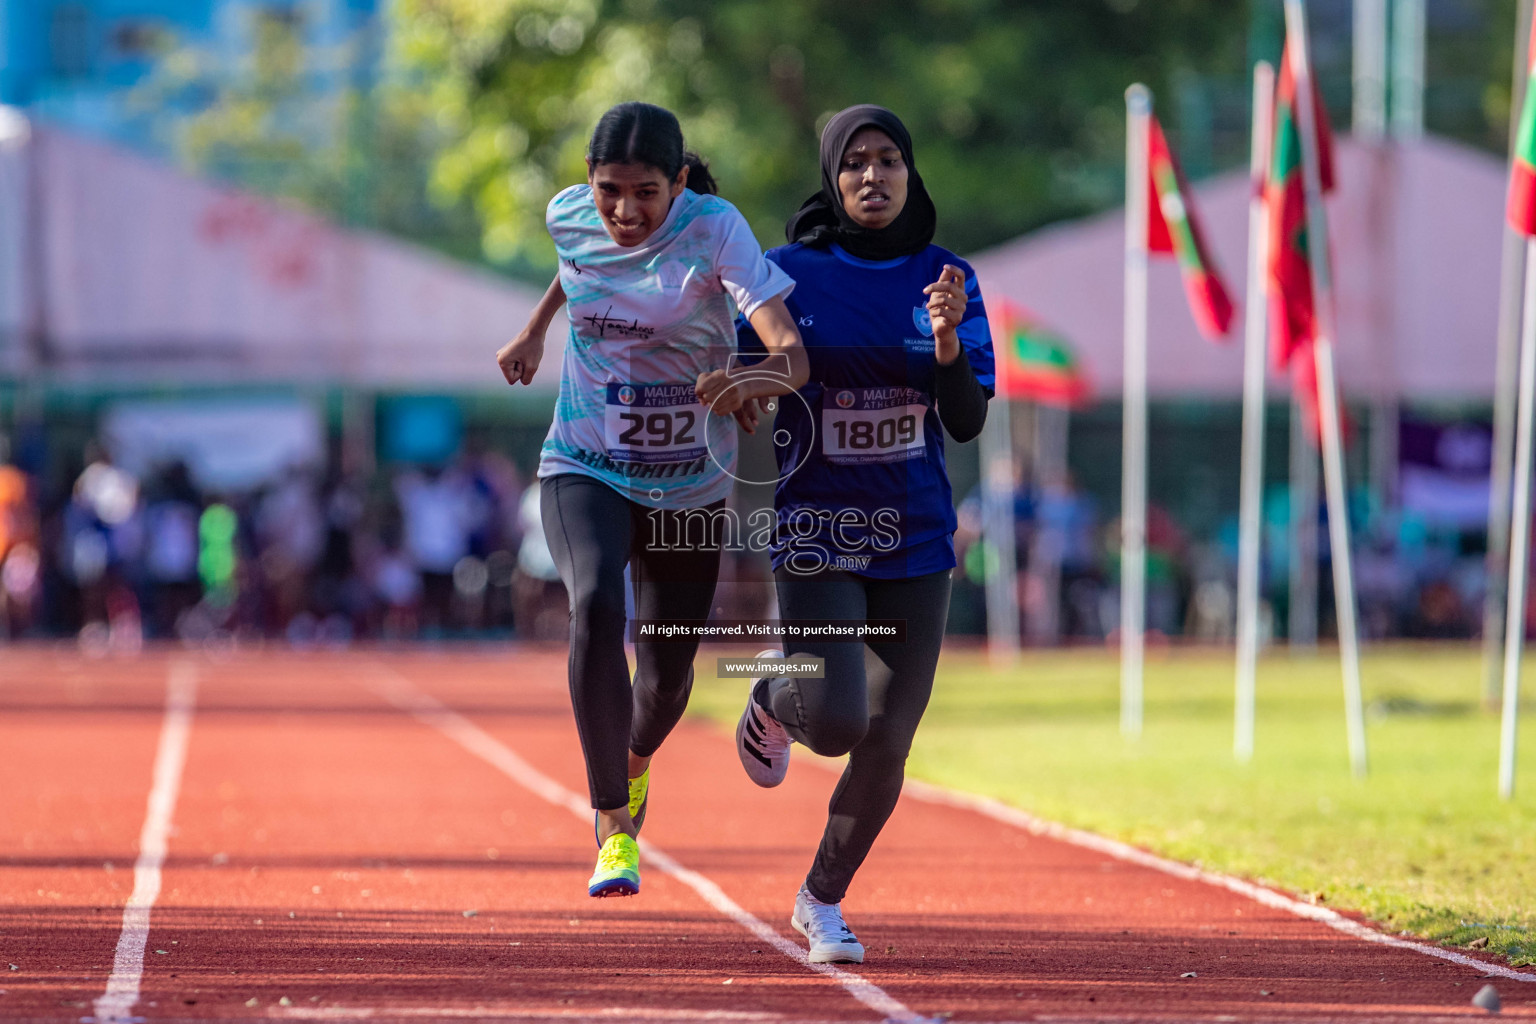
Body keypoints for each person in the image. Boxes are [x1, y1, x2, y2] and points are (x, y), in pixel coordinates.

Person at [497, 102, 806, 898]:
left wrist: (744, 379)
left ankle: (631, 767)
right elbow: (579, 270)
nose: (625, 212)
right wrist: (535, 330)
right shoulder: (568, 214)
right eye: (610, 192)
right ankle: (612, 827)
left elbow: (791, 356)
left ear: (677, 185)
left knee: (666, 681)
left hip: (688, 484)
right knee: (596, 605)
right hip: (584, 460)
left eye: (644, 194)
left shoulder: (714, 230)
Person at [734, 105, 993, 963]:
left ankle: (821, 901)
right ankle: (772, 698)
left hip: (916, 540)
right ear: (832, 181)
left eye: (888, 160)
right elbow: (744, 385)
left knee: (887, 740)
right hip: (816, 529)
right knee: (837, 718)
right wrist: (747, 388)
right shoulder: (784, 277)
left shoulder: (948, 278)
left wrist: (950, 343)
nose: (872, 177)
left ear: (912, 173)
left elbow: (965, 424)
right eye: (854, 165)